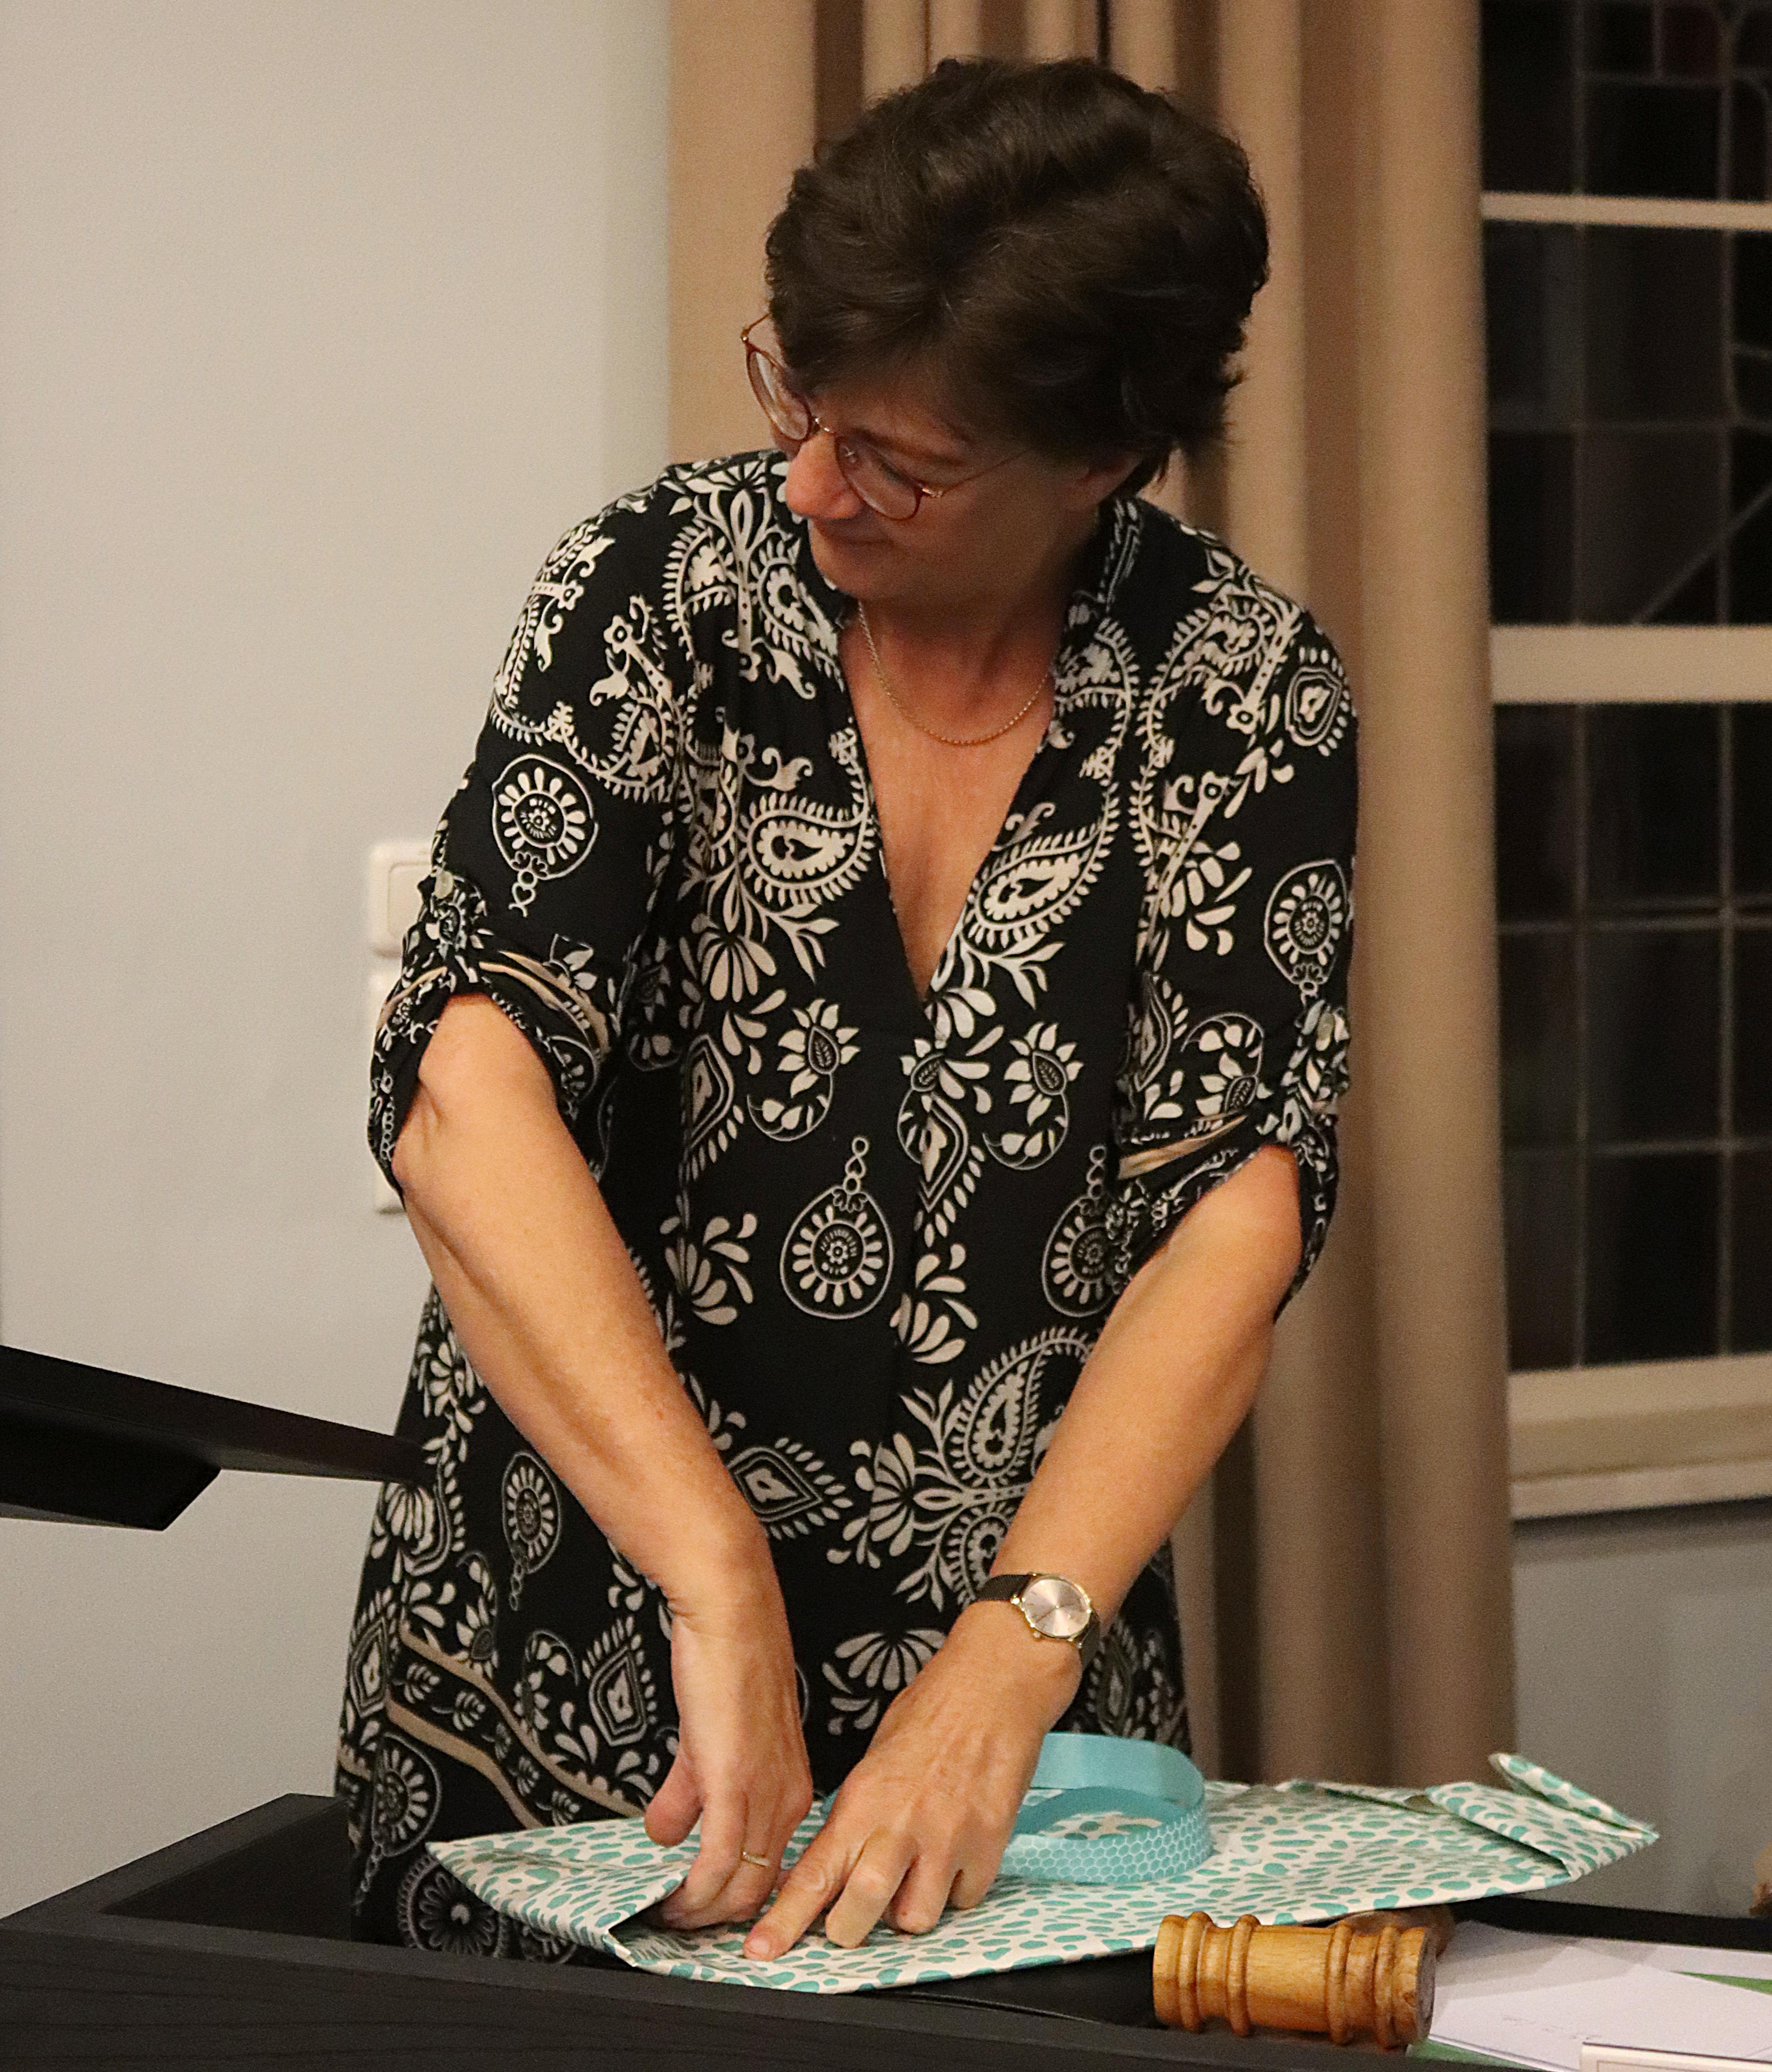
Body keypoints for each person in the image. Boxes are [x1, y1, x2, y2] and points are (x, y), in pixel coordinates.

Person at [337, 55, 1356, 1963]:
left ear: (1101, 457)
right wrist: (713, 1569)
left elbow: (1235, 1206)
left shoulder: (1239, 688)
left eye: (896, 460)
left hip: (1003, 1703)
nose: (813, 479)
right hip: (580, 1642)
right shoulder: (654, 591)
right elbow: (464, 1090)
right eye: (800, 403)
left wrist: (1015, 1649)